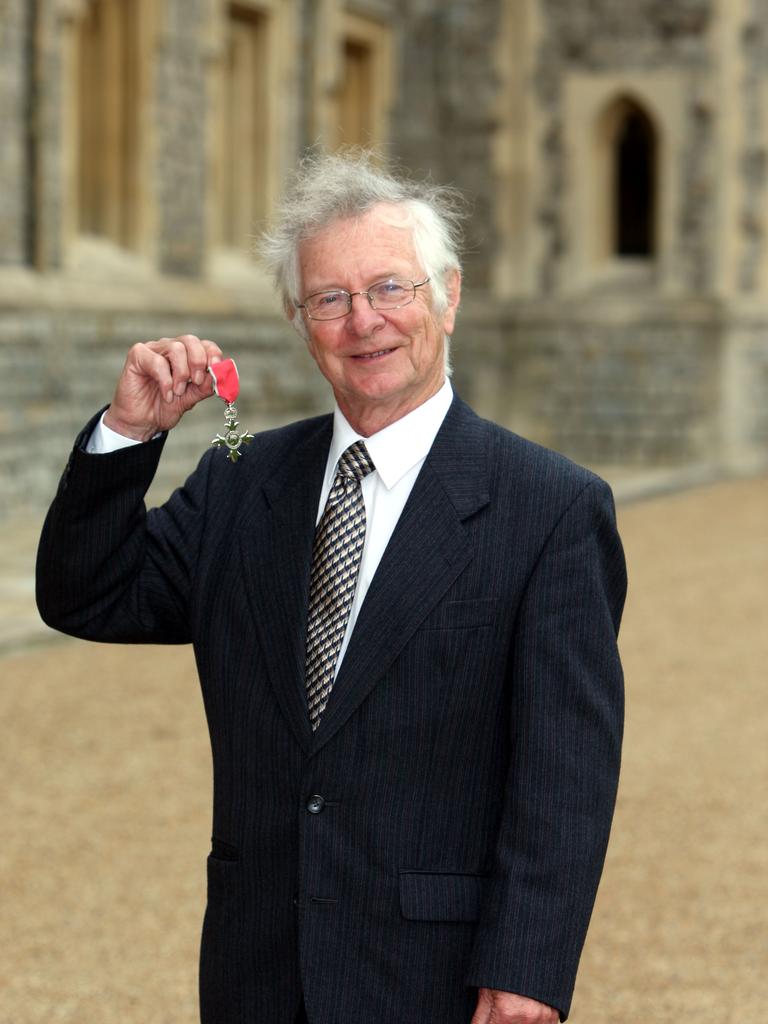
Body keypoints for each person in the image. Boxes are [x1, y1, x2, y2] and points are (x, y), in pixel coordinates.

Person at [36, 151, 626, 1024]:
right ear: (299, 319)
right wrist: (129, 433)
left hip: (436, 978)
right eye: (331, 299)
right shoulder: (240, 479)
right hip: (256, 970)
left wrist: (529, 968)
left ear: (447, 296)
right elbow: (87, 593)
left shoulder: (550, 508)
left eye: (390, 287)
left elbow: (565, 770)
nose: (364, 322)